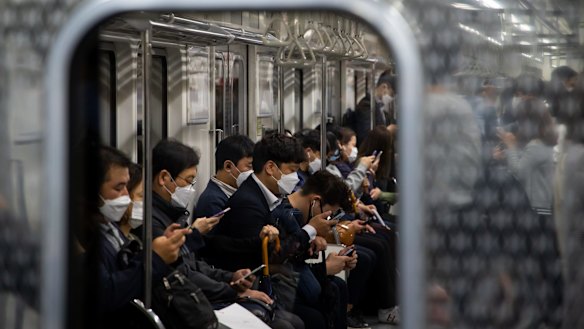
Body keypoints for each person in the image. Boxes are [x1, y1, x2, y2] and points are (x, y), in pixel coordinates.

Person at [151, 139, 301, 329]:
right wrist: (230, 289)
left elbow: (191, 264)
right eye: (188, 181)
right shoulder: (153, 223)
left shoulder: (172, 215)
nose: (190, 188)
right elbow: (181, 272)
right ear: (164, 178)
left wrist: (229, 277)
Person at [95, 146, 189, 323]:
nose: (126, 196)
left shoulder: (110, 229)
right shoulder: (82, 240)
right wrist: (156, 258)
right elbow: (107, 293)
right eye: (118, 188)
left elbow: (128, 266)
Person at [207, 133, 307, 271]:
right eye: (291, 170)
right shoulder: (248, 204)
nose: (295, 177)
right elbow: (266, 258)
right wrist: (308, 232)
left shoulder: (271, 196)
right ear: (270, 168)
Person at [195, 135, 255, 219]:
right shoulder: (212, 201)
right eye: (249, 166)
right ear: (228, 166)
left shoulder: (240, 191)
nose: (253, 172)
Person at [354, 70, 395, 146]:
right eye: (391, 94)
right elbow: (366, 136)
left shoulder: (381, 109)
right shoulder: (366, 105)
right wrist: (388, 131)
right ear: (384, 87)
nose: (391, 98)